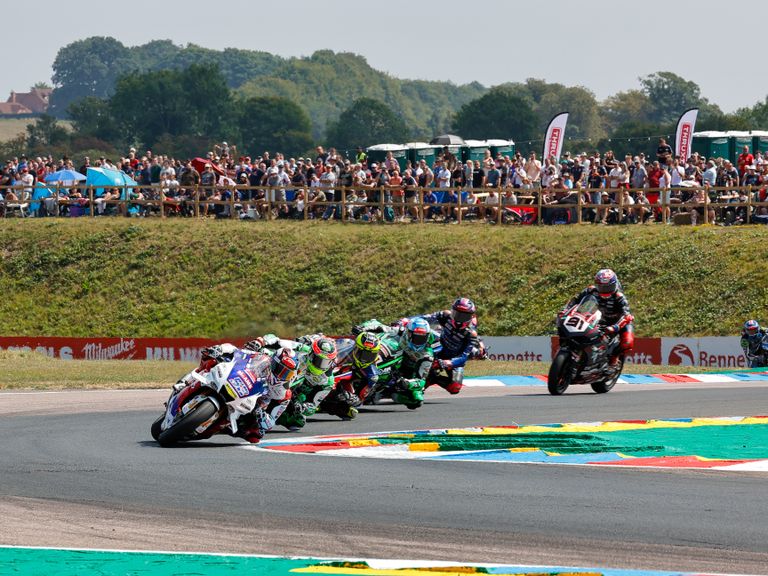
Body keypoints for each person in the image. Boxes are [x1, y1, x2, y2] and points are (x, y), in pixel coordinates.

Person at [173, 343, 298, 443]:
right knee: (211, 358)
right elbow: (239, 352)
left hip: (251, 408)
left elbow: (271, 422)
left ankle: (214, 427)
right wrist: (219, 350)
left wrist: (261, 415)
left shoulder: (283, 394)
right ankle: (185, 382)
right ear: (273, 362)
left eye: (287, 374)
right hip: (240, 382)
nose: (281, 375)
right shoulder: (264, 358)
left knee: (256, 435)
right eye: (280, 369)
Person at [562, 269, 634, 366]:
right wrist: (565, 310)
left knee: (627, 341)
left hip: (616, 323)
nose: (605, 290)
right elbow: (575, 300)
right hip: (594, 319)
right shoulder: (590, 290)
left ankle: (615, 357)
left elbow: (627, 316)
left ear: (615, 284)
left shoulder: (619, 297)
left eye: (609, 287)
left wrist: (615, 327)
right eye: (602, 287)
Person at [423, 298, 480, 395]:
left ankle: (432, 378)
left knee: (455, 388)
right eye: (457, 314)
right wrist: (409, 320)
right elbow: (426, 317)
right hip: (439, 349)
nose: (459, 319)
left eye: (464, 316)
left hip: (454, 358)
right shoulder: (446, 315)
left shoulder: (471, 333)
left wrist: (450, 362)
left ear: (471, 316)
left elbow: (464, 357)